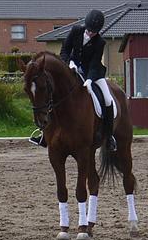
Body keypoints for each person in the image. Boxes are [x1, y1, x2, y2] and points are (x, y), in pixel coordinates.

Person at [39, 9, 115, 151]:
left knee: (107, 99)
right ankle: (45, 134)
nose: (91, 33)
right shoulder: (76, 31)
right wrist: (69, 63)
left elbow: (94, 63)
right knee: (54, 94)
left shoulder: (100, 42)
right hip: (73, 70)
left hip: (94, 74)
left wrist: (90, 80)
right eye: (89, 30)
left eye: (94, 32)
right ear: (86, 26)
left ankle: (109, 136)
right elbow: (65, 50)